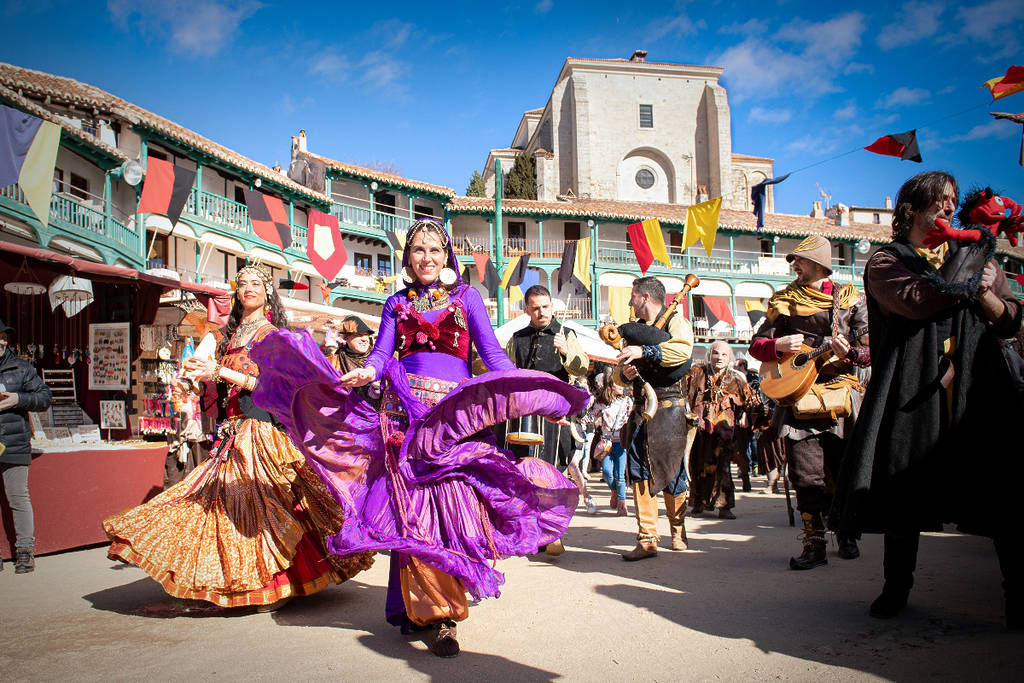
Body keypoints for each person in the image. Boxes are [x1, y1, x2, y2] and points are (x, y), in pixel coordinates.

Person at [251, 218, 587, 658]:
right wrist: (366, 372)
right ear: (408, 258)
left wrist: (539, 392)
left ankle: (444, 614)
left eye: (434, 250)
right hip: (402, 420)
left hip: (455, 421)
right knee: (410, 512)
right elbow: (379, 354)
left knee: (448, 510)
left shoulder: (467, 299)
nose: (426, 258)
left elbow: (493, 357)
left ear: (447, 256)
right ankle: (423, 609)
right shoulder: (396, 302)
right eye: (418, 250)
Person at [103, 265, 374, 607]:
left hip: (262, 431)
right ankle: (242, 580)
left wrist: (220, 371)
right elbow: (219, 379)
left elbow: (274, 389)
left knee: (258, 507)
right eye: (241, 283)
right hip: (230, 430)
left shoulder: (272, 335)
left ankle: (271, 582)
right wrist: (196, 378)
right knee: (217, 505)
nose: (248, 288)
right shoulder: (228, 336)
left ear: (267, 293)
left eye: (255, 283)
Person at [831, 171, 1024, 626]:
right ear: (913, 209)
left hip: (976, 389)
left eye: (953, 202)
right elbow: (920, 300)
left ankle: (1016, 594)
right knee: (905, 493)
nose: (948, 209)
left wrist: (987, 294)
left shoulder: (977, 260)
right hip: (914, 389)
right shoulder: (886, 261)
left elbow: (1012, 320)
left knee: (1000, 493)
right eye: (938, 201)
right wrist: (967, 263)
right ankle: (897, 587)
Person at [749, 234, 869, 570]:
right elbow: (757, 346)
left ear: (818, 264)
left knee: (844, 472)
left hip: (839, 397)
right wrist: (779, 345)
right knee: (805, 477)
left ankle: (846, 533)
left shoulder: (850, 300)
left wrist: (855, 353)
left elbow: (870, 346)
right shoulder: (784, 301)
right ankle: (814, 544)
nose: (794, 267)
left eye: (799, 261)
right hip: (798, 399)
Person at [613, 276, 695, 560]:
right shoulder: (634, 330)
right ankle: (647, 539)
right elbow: (617, 373)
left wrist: (646, 350)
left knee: (672, 471)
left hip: (669, 407)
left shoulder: (675, 321)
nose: (629, 302)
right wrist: (625, 374)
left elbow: (683, 351)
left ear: (645, 297)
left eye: (633, 296)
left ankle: (677, 529)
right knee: (639, 474)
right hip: (640, 408)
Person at [503, 284, 589, 468]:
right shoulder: (517, 338)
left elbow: (581, 368)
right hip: (523, 416)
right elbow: (505, 373)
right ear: (527, 310)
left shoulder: (566, 334)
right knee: (522, 469)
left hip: (556, 414)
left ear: (551, 306)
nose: (542, 312)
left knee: (553, 471)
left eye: (545, 307)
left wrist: (566, 351)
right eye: (536, 308)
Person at [0, 318, 52, 573]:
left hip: (14, 441)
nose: (1, 341)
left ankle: (25, 551)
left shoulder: (21, 368)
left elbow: (44, 398)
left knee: (18, 497)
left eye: (3, 337)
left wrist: (17, 399)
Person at [687, 341, 759, 519]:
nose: (719, 358)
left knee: (723, 468)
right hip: (700, 428)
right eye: (716, 353)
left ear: (730, 358)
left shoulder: (736, 379)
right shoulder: (696, 373)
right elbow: (684, 394)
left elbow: (748, 402)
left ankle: (724, 506)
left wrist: (749, 414)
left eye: (724, 355)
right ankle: (698, 503)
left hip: (723, 430)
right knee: (698, 465)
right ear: (710, 355)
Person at [593, 370, 632, 516]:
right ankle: (614, 491)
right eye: (618, 383)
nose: (622, 386)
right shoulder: (602, 404)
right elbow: (591, 417)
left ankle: (622, 504)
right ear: (610, 385)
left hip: (621, 442)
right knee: (608, 473)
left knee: (620, 475)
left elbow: (632, 416)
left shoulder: (627, 401)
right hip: (606, 443)